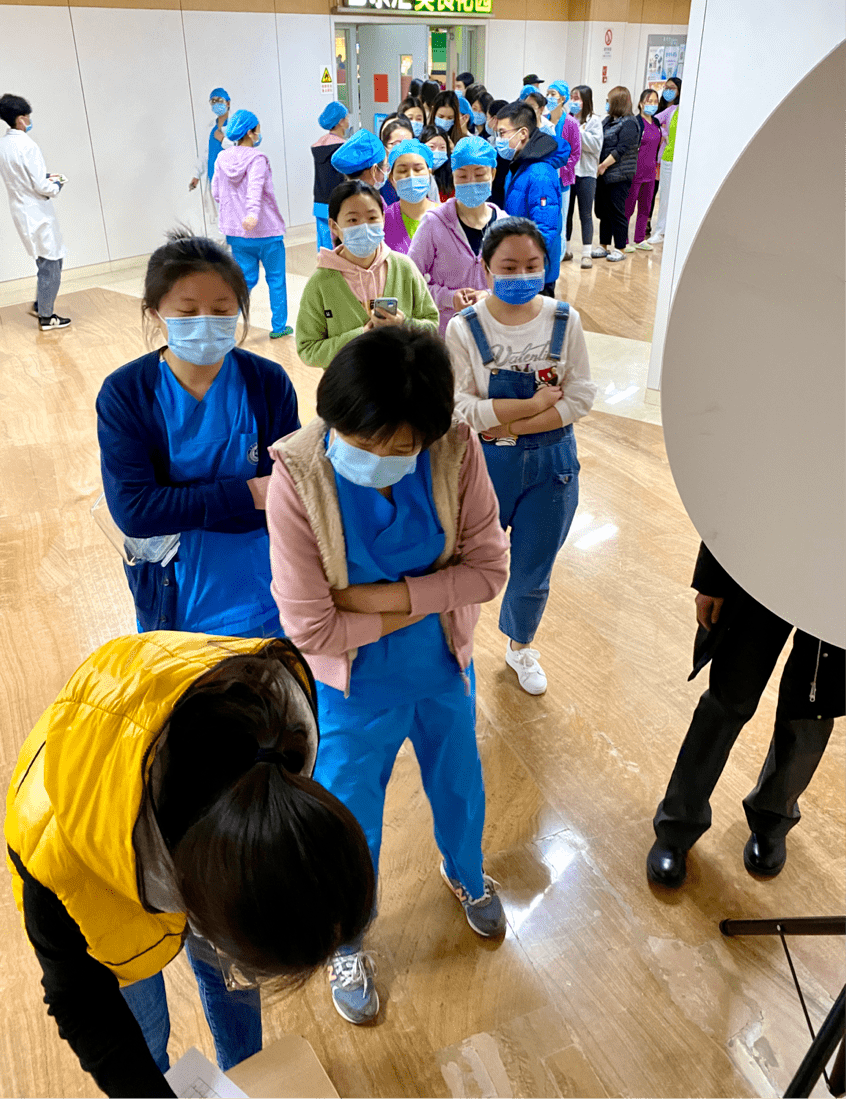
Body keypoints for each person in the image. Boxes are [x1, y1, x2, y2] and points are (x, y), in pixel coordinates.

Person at [5, 631, 375, 1097]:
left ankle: (241, 1069)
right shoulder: (54, 862)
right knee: (143, 1029)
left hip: (147, 774)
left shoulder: (275, 748)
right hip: (94, 863)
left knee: (231, 992)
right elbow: (82, 1004)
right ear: (196, 899)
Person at [266, 325, 510, 1024]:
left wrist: (378, 598)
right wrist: (435, 590)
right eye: (363, 439)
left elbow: (489, 570)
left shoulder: (454, 452)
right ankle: (347, 934)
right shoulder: (299, 475)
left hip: (440, 668)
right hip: (351, 688)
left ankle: (465, 874)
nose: (377, 456)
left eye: (400, 448)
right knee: (348, 823)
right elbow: (311, 627)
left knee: (461, 786)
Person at [97, 232, 298, 637]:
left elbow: (292, 490)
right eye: (187, 313)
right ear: (156, 313)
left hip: (268, 592)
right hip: (177, 602)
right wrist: (250, 493)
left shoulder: (267, 382)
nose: (205, 323)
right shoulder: (127, 393)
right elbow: (136, 512)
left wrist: (185, 502)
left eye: (222, 310)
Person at [446, 217, 596, 694]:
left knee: (534, 569)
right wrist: (532, 405)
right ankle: (453, 647)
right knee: (465, 563)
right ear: (486, 267)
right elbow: (459, 407)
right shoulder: (465, 327)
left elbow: (581, 398)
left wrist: (512, 423)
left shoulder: (563, 320)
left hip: (553, 468)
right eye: (508, 266)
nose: (520, 274)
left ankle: (520, 647)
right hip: (485, 467)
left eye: (532, 265)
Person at [647, 543, 845, 888]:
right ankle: (677, 824)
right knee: (727, 700)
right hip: (772, 554)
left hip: (839, 590)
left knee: (809, 713)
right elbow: (740, 492)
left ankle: (772, 819)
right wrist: (712, 578)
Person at [295, 180, 438, 370]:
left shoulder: (404, 267)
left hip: (404, 384)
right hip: (351, 389)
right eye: (353, 220)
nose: (364, 226)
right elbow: (308, 349)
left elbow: (432, 324)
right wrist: (360, 335)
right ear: (334, 226)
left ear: (383, 220)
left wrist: (403, 324)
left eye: (372, 218)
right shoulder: (321, 283)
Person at [408, 135, 500, 334]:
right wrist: (449, 297)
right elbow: (410, 282)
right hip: (446, 335)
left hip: (491, 333)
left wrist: (489, 296)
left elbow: (513, 283)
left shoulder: (504, 226)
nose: (471, 182)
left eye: (479, 174)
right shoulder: (433, 223)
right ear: (453, 177)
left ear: (492, 173)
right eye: (462, 175)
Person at [212, 109, 292, 338]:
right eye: (257, 130)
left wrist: (235, 213)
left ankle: (226, 329)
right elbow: (255, 189)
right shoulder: (257, 158)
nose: (259, 133)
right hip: (267, 231)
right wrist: (252, 215)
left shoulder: (221, 158)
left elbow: (216, 192)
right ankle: (279, 327)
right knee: (276, 279)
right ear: (249, 132)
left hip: (237, 234)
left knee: (244, 281)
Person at [0, 93, 69, 330]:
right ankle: (47, 317)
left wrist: (44, 180)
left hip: (21, 209)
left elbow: (23, 177)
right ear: (20, 119)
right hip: (37, 212)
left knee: (45, 261)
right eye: (27, 116)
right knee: (52, 263)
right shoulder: (27, 146)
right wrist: (57, 183)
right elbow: (41, 186)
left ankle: (42, 304)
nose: (29, 120)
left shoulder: (4, 144)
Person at [494, 101, 564, 296]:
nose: (499, 140)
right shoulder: (520, 165)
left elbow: (545, 230)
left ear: (523, 133)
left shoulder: (539, 173)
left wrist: (521, 265)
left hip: (535, 275)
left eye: (502, 133)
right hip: (521, 268)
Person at [591, 86, 640, 263]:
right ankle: (603, 245)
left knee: (617, 211)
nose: (606, 104)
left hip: (619, 175)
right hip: (603, 174)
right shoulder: (607, 121)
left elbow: (621, 149)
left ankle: (620, 247)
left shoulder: (630, 123)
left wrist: (603, 165)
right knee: (603, 211)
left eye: (608, 101)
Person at [565, 85, 603, 269]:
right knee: (567, 212)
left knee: (586, 214)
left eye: (577, 98)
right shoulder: (567, 120)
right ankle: (566, 249)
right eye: (572, 98)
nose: (574, 101)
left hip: (587, 173)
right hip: (569, 172)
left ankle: (586, 253)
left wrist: (577, 131)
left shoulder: (595, 121)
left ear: (586, 100)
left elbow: (595, 146)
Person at [189, 88, 232, 242]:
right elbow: (204, 153)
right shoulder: (210, 127)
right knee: (214, 215)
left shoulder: (235, 125)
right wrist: (196, 175)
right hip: (213, 176)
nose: (216, 105)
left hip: (229, 178)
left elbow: (241, 148)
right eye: (213, 102)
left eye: (219, 101)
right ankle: (220, 249)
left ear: (228, 102)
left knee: (231, 213)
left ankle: (234, 248)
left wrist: (222, 139)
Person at [543, 82, 581, 261]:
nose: (550, 97)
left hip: (563, 180)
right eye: (548, 93)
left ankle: (559, 256)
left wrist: (561, 169)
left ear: (563, 98)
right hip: (546, 177)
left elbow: (575, 153)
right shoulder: (544, 120)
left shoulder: (571, 123)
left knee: (562, 219)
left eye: (554, 94)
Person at [383, 139, 439, 254]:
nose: (411, 176)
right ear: (391, 178)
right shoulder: (384, 222)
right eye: (403, 170)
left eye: (418, 169)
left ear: (429, 173)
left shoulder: (446, 217)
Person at [623, 89, 661, 252]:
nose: (652, 105)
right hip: (635, 171)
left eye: (654, 102)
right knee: (629, 207)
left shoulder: (657, 123)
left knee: (645, 207)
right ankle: (622, 239)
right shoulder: (636, 122)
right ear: (640, 103)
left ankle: (639, 239)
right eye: (648, 101)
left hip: (651, 172)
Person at [311, 100, 350, 251]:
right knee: (340, 245)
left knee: (324, 245)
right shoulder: (343, 147)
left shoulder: (318, 145)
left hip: (319, 201)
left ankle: (324, 271)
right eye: (346, 117)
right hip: (337, 203)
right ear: (341, 121)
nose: (348, 120)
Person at [649, 76, 681, 244]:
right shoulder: (673, 109)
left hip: (684, 160)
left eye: (673, 88)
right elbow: (653, 120)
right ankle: (661, 231)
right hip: (668, 157)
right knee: (665, 196)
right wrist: (664, 134)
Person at [330, 127, 390, 200]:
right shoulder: (369, 204)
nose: (387, 170)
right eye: (385, 165)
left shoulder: (343, 201)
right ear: (374, 170)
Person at [377, 114, 415, 205]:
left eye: (408, 144)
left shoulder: (419, 175)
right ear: (385, 146)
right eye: (397, 144)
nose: (403, 148)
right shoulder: (378, 177)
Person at [421, 124, 455, 201]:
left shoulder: (451, 177)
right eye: (432, 147)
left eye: (442, 147)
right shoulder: (416, 176)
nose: (437, 151)